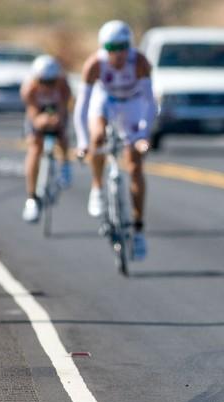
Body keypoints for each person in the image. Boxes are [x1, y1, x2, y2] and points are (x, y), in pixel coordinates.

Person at [73, 20, 157, 261]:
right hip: (106, 101)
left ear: (129, 46)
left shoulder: (139, 62)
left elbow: (150, 103)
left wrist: (143, 134)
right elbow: (82, 107)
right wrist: (82, 141)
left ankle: (138, 228)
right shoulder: (94, 65)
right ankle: (98, 187)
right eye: (112, 47)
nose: (118, 53)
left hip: (132, 104)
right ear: (103, 47)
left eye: (122, 47)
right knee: (97, 137)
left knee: (134, 163)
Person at [20, 54, 72, 223]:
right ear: (36, 79)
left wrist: (57, 120)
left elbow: (64, 109)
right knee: (35, 147)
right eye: (43, 82)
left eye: (51, 82)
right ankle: (31, 198)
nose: (48, 86)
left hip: (55, 109)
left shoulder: (63, 86)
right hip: (38, 111)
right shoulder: (29, 89)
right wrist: (40, 121)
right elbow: (33, 114)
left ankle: (65, 165)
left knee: (63, 134)